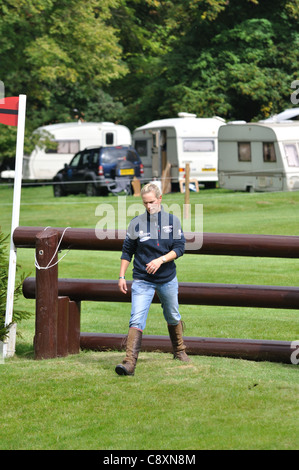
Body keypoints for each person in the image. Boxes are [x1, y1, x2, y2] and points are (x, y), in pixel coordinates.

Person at [115, 182, 190, 376]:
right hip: (142, 279)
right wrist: (122, 276)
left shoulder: (172, 221)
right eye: (145, 203)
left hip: (167, 278)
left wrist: (161, 260)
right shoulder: (136, 223)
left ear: (160, 199)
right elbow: (127, 251)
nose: (149, 206)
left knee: (172, 315)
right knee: (136, 318)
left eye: (152, 202)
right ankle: (129, 362)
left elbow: (180, 248)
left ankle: (180, 351)